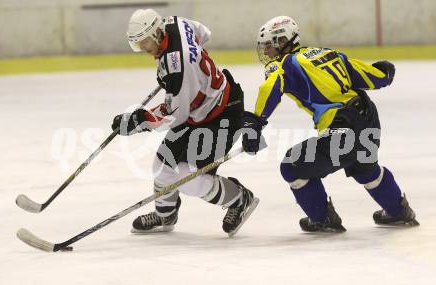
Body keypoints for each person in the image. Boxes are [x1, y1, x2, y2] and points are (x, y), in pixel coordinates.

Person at [242, 16, 419, 233]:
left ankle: (322, 218)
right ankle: (399, 211)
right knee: (364, 167)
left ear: (282, 41)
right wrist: (384, 72)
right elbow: (370, 76)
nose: (266, 52)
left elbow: (271, 87)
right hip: (368, 118)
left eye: (269, 46)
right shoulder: (327, 53)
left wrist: (255, 121)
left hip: (342, 129)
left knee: (292, 166)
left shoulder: (284, 65)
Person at [111, 9, 259, 236]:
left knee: (189, 179)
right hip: (199, 110)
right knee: (162, 166)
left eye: (145, 43)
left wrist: (138, 121)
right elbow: (203, 33)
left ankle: (240, 199)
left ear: (157, 33)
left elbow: (175, 115)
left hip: (222, 114)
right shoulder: (174, 22)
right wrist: (192, 70)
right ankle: (165, 215)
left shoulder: (177, 70)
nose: (143, 49)